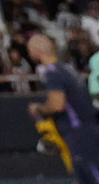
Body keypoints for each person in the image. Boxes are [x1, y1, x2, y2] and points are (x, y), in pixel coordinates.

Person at [29, 35, 99, 184]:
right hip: (87, 129)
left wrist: (39, 109)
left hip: (78, 133)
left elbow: (57, 104)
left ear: (36, 50)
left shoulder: (53, 72)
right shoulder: (67, 68)